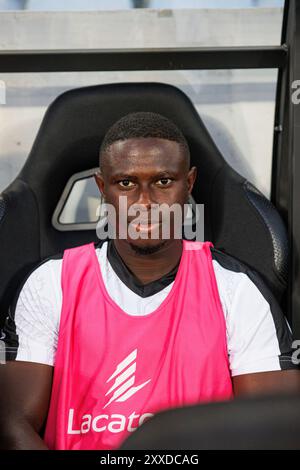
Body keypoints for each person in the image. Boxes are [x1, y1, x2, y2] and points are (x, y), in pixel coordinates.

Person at [0, 112, 299, 450]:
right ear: (102, 188)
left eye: (163, 182)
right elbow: (12, 424)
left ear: (189, 184)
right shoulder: (50, 284)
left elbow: (274, 431)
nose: (145, 203)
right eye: (126, 183)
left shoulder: (237, 290)